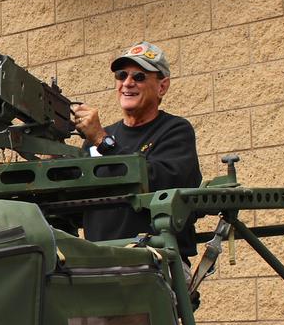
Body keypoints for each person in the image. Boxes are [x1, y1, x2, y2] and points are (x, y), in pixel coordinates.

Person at [70, 41, 202, 266]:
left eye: (139, 77)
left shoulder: (175, 131)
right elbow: (75, 202)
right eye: (121, 76)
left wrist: (103, 141)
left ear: (162, 86)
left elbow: (160, 181)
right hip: (99, 264)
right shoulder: (100, 137)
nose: (127, 83)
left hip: (154, 262)